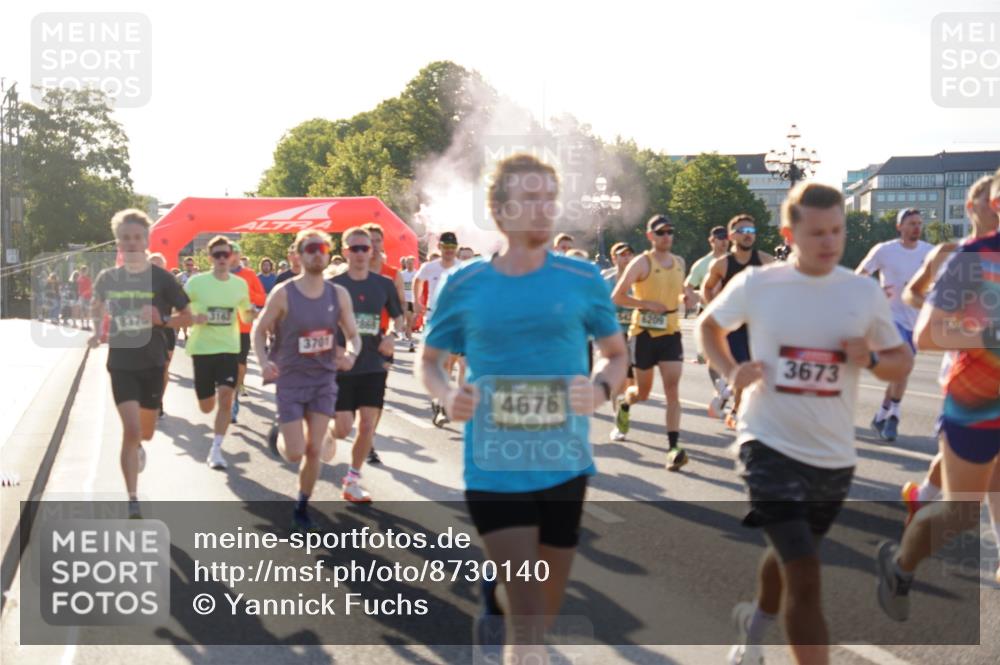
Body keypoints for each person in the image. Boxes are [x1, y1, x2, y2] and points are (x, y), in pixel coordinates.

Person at [419, 154, 627, 663]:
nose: (543, 209)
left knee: (543, 607)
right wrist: (449, 396)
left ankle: (497, 598)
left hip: (565, 461)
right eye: (529, 199)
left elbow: (617, 355)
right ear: (500, 211)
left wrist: (600, 389)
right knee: (530, 620)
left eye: (549, 198)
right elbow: (429, 362)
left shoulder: (582, 278)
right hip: (494, 465)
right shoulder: (465, 284)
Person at [697, 182, 912, 665]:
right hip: (767, 442)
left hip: (833, 458)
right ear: (788, 233)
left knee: (791, 559)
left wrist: (874, 358)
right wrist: (733, 372)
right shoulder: (760, 283)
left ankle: (753, 629)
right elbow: (708, 326)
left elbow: (900, 362)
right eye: (817, 233)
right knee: (807, 574)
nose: (830, 242)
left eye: (837, 230)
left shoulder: (862, 292)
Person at [876, 169, 1000, 615]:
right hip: (975, 401)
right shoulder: (971, 257)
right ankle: (901, 564)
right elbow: (927, 334)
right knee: (961, 512)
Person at [898, 175, 1000, 526]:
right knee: (968, 442)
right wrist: (941, 306)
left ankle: (923, 496)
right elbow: (912, 292)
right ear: (973, 208)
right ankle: (927, 504)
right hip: (962, 359)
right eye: (990, 203)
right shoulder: (949, 253)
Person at [253, 229, 360, 531]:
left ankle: (302, 505)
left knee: (314, 451)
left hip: (323, 380)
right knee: (296, 452)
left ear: (328, 254)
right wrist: (263, 362)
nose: (316, 253)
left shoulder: (337, 294)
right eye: (310, 248)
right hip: (290, 380)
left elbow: (353, 335)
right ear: (299, 255)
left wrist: (351, 355)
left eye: (321, 248)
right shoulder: (284, 293)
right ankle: (284, 434)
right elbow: (259, 332)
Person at [88, 209, 192, 519]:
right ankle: (132, 498)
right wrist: (97, 332)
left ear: (146, 240)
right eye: (125, 238)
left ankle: (139, 447)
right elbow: (96, 306)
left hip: (153, 363)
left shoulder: (162, 278)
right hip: (121, 363)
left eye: (137, 238)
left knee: (144, 433)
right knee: (131, 430)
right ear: (118, 241)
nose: (131, 243)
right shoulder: (108, 278)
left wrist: (163, 319)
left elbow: (187, 316)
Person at [611, 215, 696, 469]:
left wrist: (687, 296)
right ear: (650, 236)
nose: (666, 236)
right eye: (661, 232)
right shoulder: (641, 262)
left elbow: (682, 288)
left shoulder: (679, 261)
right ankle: (625, 403)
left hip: (670, 331)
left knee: (672, 390)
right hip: (644, 334)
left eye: (670, 231)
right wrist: (645, 304)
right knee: (643, 393)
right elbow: (618, 296)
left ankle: (673, 448)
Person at [330, 227, 405, 502]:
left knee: (367, 425)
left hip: (374, 362)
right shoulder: (334, 286)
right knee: (342, 429)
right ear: (344, 252)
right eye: (355, 248)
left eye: (365, 247)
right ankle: (328, 432)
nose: (361, 252)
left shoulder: (383, 284)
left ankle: (352, 480)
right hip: (344, 365)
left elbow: (399, 317)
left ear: (372, 251)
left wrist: (392, 336)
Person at [856, 208, 933, 442]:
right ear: (899, 226)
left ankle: (880, 416)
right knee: (904, 364)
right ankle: (894, 418)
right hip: (891, 318)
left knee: (900, 370)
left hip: (916, 320)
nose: (916, 228)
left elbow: (943, 280)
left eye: (919, 223)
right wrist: (875, 291)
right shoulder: (884, 250)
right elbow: (860, 274)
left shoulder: (930, 252)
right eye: (911, 223)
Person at [183, 236, 255, 470]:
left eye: (226, 254)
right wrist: (193, 318)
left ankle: (216, 449)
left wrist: (252, 313)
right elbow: (179, 310)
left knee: (226, 397)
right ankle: (208, 399)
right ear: (210, 257)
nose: (223, 258)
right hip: (202, 350)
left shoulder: (239, 284)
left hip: (228, 349)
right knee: (206, 405)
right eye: (218, 255)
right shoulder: (196, 283)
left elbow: (245, 316)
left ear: (232, 256)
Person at [701, 214, 774, 428]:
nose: (748, 235)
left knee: (753, 372)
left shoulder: (765, 260)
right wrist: (715, 309)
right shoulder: (722, 264)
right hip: (731, 326)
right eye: (742, 231)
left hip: (756, 325)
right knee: (742, 367)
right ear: (732, 235)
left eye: (751, 231)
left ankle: (733, 405)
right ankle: (733, 403)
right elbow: (706, 287)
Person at [414, 232, 462, 426]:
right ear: (439, 248)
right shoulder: (429, 267)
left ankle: (441, 400)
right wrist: (417, 302)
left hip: (455, 320)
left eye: (452, 248)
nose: (449, 252)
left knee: (451, 364)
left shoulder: (462, 267)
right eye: (445, 248)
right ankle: (441, 405)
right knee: (442, 364)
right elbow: (418, 280)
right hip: (434, 319)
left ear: (456, 249)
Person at [228, 242, 267, 421]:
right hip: (221, 329)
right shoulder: (218, 275)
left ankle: (236, 391)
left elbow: (262, 298)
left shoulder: (249, 275)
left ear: (239, 254)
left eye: (234, 252)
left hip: (243, 327)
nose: (231, 256)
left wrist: (246, 294)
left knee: (240, 364)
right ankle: (228, 395)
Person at [603, 242, 636, 441]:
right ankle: (618, 421)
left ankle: (624, 409)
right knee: (618, 379)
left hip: (635, 332)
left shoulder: (640, 277)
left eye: (629, 254)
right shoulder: (606, 280)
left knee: (633, 383)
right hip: (614, 334)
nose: (626, 258)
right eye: (622, 255)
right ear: (614, 258)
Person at [148, 253, 178, 418]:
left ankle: (159, 401)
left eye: (159, 265)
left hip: (166, 331)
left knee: (164, 369)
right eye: (153, 265)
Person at [399, 256, 418, 352]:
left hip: (414, 300)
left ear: (413, 263)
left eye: (411, 263)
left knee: (412, 322)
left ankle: (406, 332)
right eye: (407, 263)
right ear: (405, 264)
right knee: (408, 319)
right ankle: (410, 342)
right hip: (406, 300)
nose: (409, 265)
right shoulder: (402, 274)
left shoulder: (417, 273)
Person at [77, 265, 93, 330]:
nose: (85, 272)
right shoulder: (81, 279)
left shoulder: (85, 279)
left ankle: (86, 325)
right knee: (84, 311)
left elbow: (90, 288)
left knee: (86, 311)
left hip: (87, 297)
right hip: (83, 297)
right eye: (85, 271)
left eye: (85, 271)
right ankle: (84, 325)